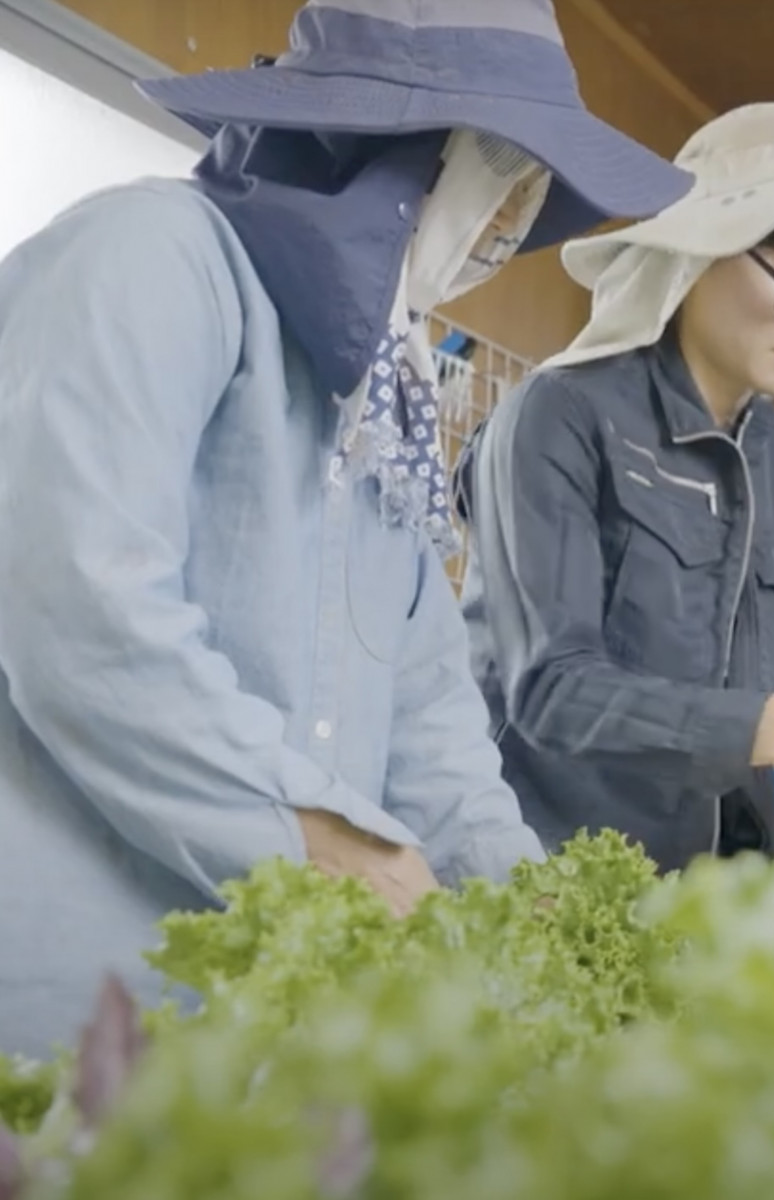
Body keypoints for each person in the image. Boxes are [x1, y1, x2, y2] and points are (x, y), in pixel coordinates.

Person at [0, 0, 693, 1059]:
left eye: (530, 196)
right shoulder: (151, 257)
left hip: (273, 1053)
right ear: (396, 154)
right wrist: (315, 832)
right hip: (72, 1020)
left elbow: (427, 723)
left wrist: (542, 920)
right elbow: (79, 616)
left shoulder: (387, 396)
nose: (513, 228)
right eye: (503, 175)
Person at [456, 102, 774, 871]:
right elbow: (552, 691)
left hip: (739, 912)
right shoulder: (558, 415)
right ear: (700, 251)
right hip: (557, 890)